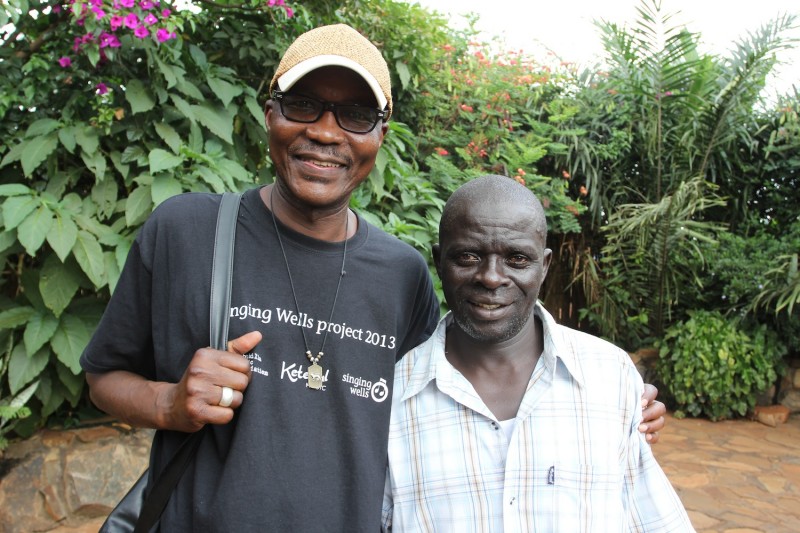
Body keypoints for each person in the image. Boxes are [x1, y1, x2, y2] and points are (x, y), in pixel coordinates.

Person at [80, 25, 665, 532]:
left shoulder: (401, 273)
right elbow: (103, 376)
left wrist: (600, 402)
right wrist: (169, 403)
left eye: (356, 115)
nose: (328, 133)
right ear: (271, 112)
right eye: (304, 104)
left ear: (380, 134)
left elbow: (444, 395)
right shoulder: (187, 231)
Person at [382, 175, 693, 532]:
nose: (492, 278)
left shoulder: (610, 377)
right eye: (468, 256)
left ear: (543, 266)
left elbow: (652, 519)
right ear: (439, 261)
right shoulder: (392, 399)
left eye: (516, 259)